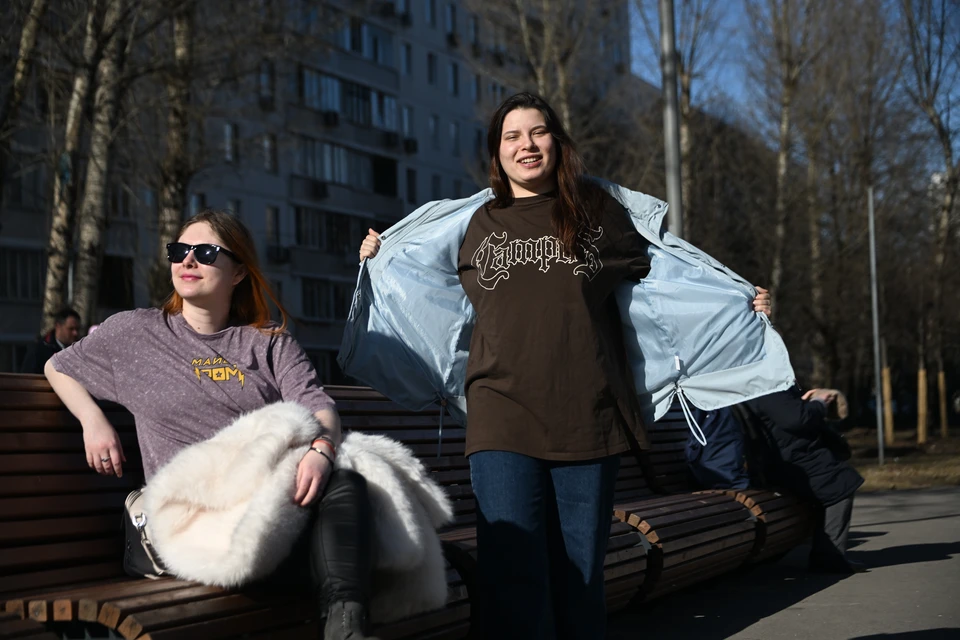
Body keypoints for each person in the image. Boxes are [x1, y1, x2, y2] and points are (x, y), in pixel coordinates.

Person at [357, 93, 773, 639]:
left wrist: (739, 300)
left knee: (580, 573)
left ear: (557, 141)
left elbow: (671, 276)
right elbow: (419, 277)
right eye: (512, 136)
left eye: (538, 132)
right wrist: (384, 253)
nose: (526, 145)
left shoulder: (599, 213)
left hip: (588, 415)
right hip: (501, 414)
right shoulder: (474, 223)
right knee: (513, 569)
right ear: (497, 153)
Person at [45, 210, 379, 640]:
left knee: (345, 483)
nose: (187, 261)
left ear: (239, 272)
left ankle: (347, 628)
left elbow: (319, 407)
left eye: (205, 253)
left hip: (260, 507)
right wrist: (93, 420)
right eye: (179, 251)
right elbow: (59, 365)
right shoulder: (134, 333)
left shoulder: (268, 342)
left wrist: (321, 450)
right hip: (190, 519)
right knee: (344, 555)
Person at [735, 386, 865, 574]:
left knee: (836, 480)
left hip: (782, 458)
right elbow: (797, 419)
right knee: (840, 484)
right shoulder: (767, 387)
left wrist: (801, 403)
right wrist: (819, 404)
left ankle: (828, 555)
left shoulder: (760, 386)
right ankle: (830, 557)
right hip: (788, 461)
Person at [21, 307, 81, 373]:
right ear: (58, 326)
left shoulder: (80, 350)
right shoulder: (39, 350)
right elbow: (29, 376)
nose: (75, 333)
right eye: (71, 329)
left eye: (77, 329)